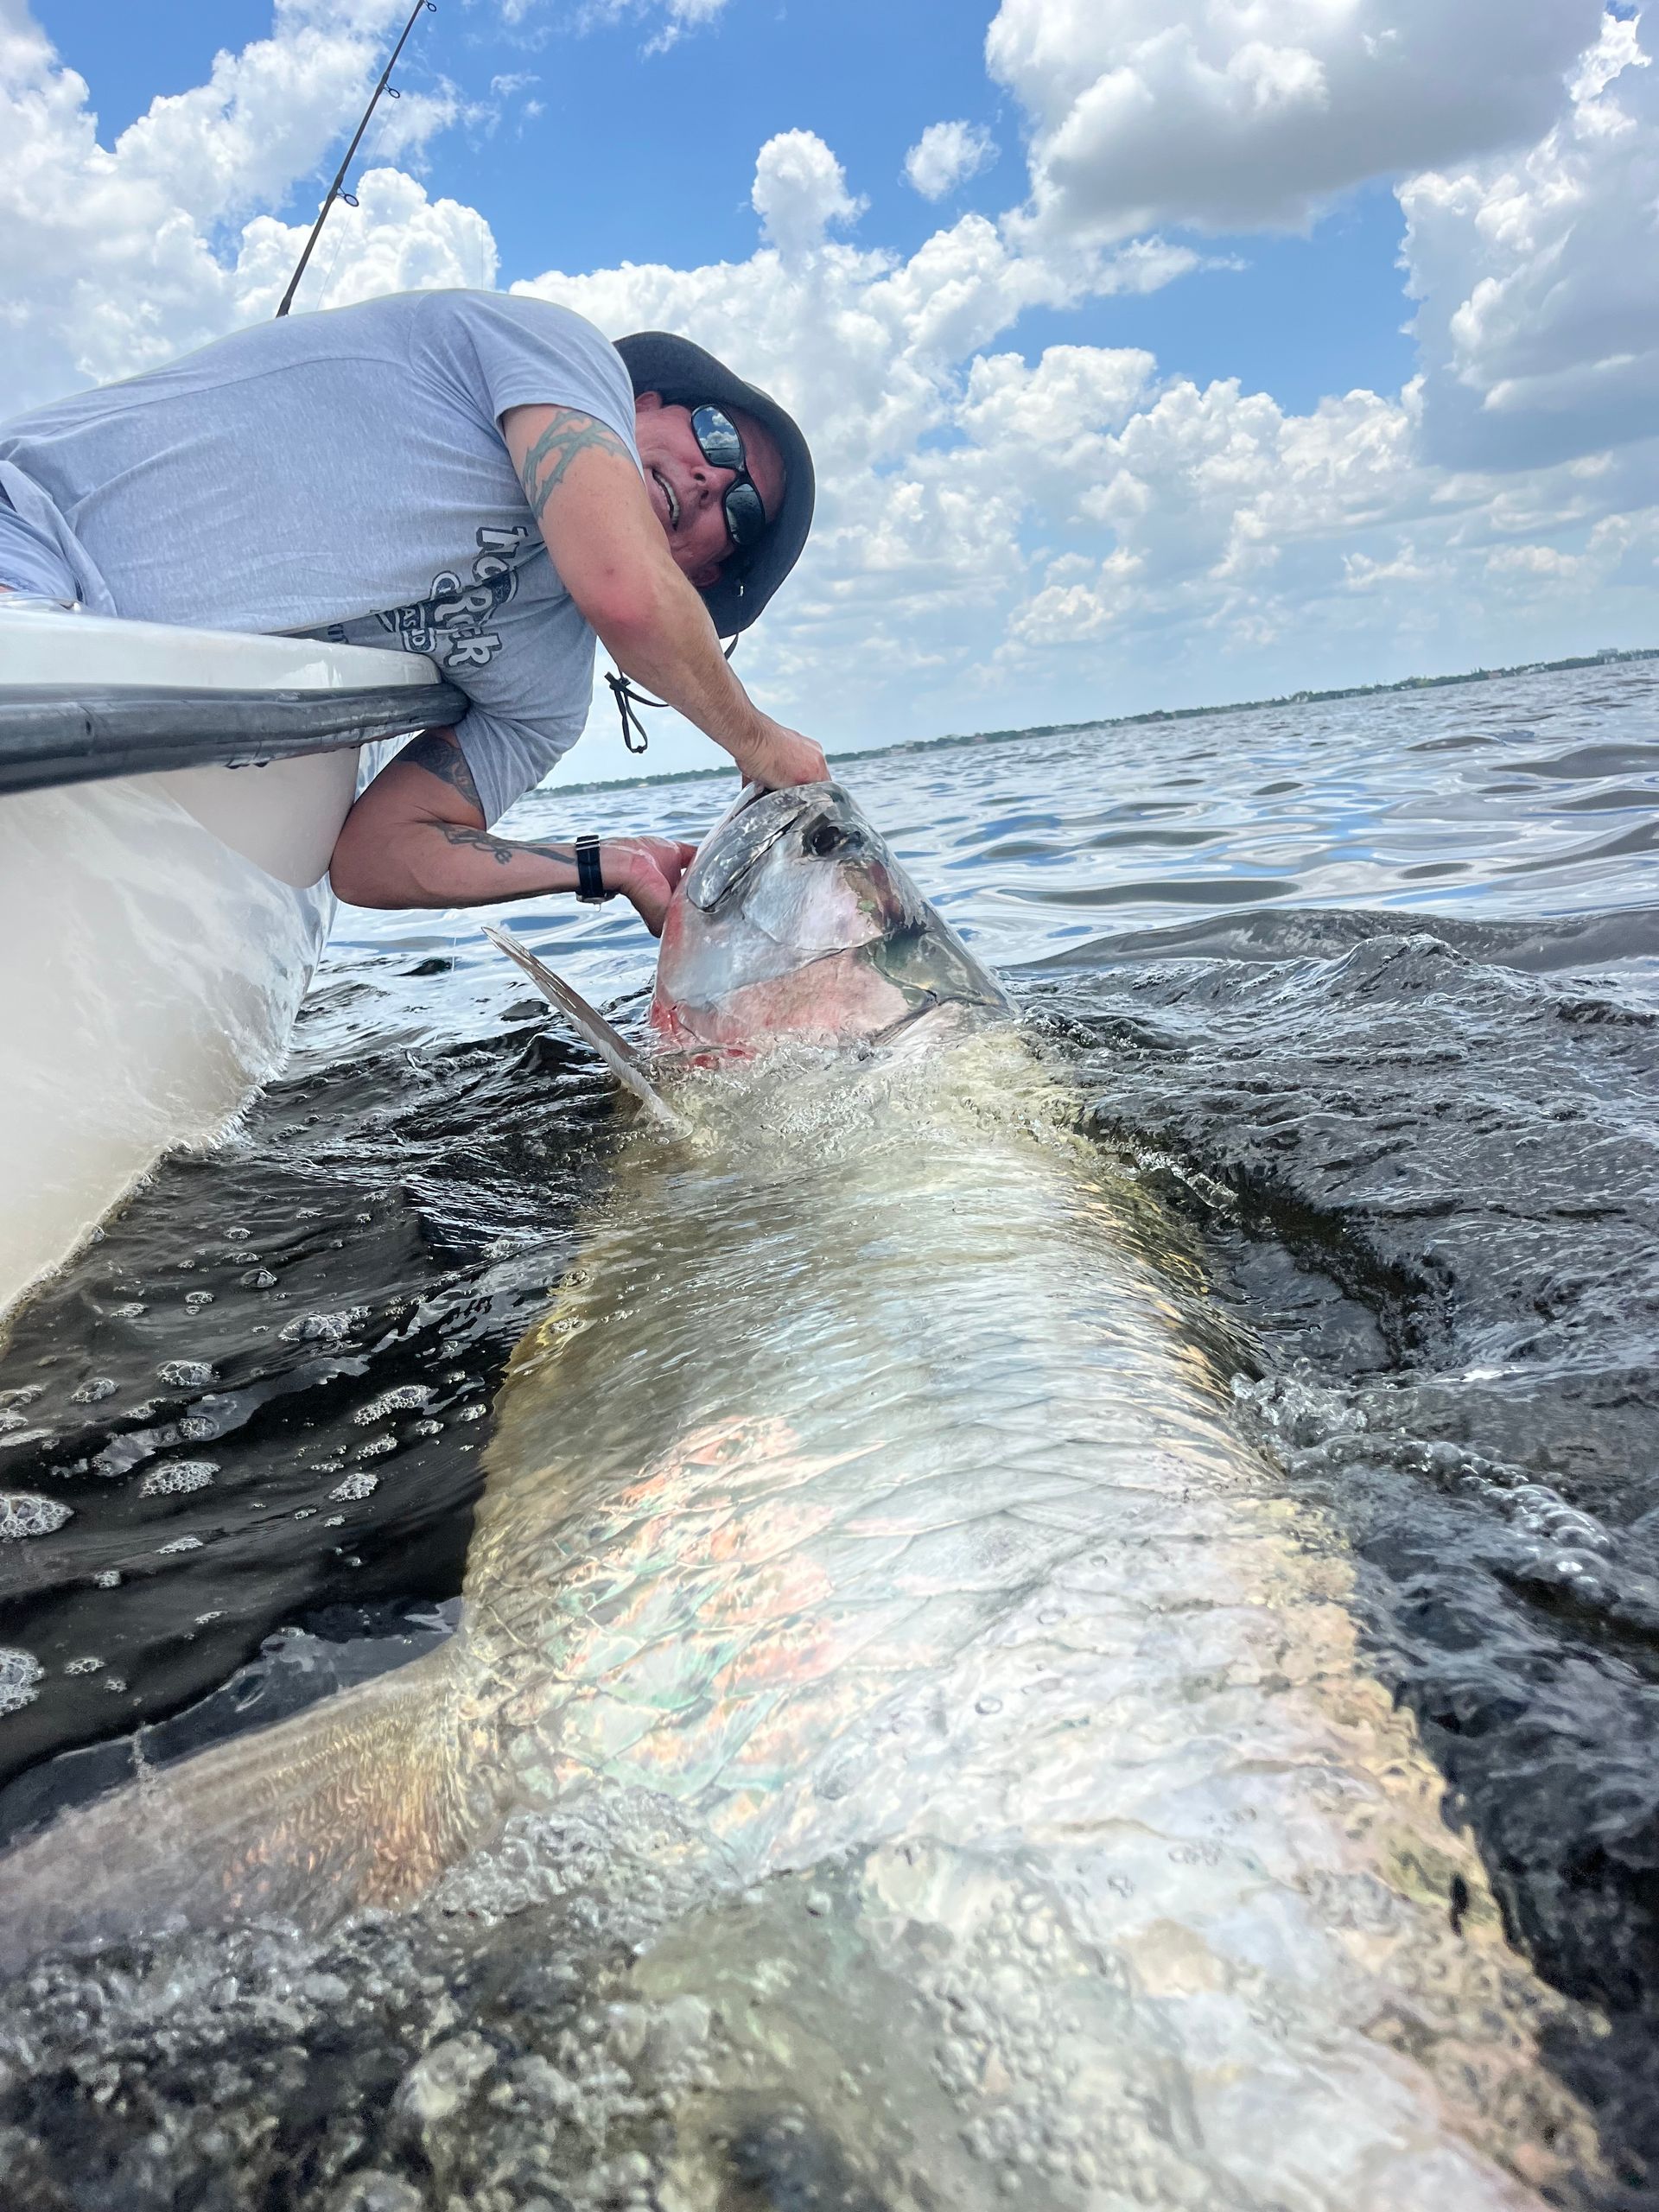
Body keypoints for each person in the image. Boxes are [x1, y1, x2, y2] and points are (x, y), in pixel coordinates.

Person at [0, 290, 829, 933]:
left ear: (707, 568)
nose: (715, 479)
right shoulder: (559, 353)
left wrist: (598, 863)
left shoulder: (544, 695)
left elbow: (374, 860)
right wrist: (760, 744)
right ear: (642, 402)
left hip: (129, 726)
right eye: (718, 437)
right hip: (30, 534)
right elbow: (622, 589)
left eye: (743, 511)